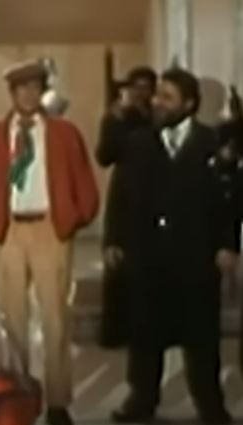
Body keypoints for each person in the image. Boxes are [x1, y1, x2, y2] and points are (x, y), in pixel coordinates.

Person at [0, 60, 99, 425]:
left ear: (43, 92)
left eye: (34, 87)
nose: (28, 94)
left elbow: (84, 180)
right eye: (21, 88)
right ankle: (18, 396)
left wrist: (75, 217)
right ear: (11, 93)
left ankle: (57, 401)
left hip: (50, 228)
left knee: (55, 317)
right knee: (11, 319)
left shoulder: (63, 134)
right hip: (10, 229)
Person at [105, 69, 237, 425]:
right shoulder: (137, 143)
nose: (156, 102)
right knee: (145, 331)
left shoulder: (211, 144)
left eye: (167, 97)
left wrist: (228, 246)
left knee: (201, 334)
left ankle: (209, 401)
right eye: (157, 95)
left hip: (196, 255)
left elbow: (228, 203)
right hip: (147, 254)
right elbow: (119, 196)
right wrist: (114, 240)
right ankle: (142, 398)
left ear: (189, 104)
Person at [98, 66, 157, 348]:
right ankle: (115, 332)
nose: (142, 93)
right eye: (138, 87)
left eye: (148, 87)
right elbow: (105, 156)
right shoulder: (118, 117)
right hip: (126, 190)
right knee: (119, 262)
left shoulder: (159, 116)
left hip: (156, 192)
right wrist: (118, 118)